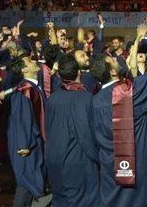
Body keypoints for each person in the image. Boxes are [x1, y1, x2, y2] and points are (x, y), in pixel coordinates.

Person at [89, 21, 147, 207]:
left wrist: (138, 38)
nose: (118, 59)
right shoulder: (126, 93)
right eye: (113, 60)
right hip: (131, 164)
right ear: (112, 72)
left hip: (109, 165)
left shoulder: (96, 100)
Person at [45, 54, 100, 207]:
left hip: (54, 158)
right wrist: (97, 157)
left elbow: (47, 129)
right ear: (79, 73)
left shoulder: (53, 98)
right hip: (79, 161)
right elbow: (87, 134)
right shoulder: (86, 98)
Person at [7, 54, 47, 207]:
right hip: (28, 143)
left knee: (32, 179)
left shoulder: (35, 87)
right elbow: (21, 118)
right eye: (29, 61)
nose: (34, 61)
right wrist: (24, 144)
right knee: (26, 182)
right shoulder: (23, 90)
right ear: (24, 69)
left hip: (36, 140)